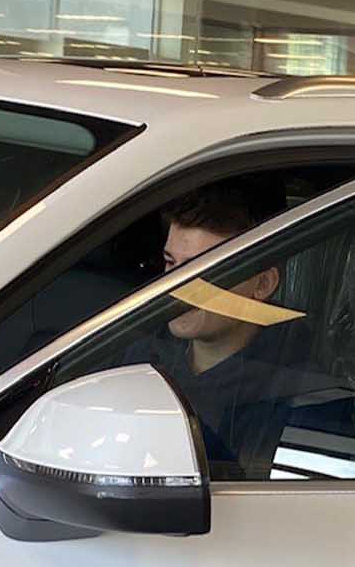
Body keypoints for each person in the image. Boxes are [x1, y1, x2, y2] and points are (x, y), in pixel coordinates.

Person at [125, 183, 306, 480]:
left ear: (262, 285)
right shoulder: (142, 358)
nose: (175, 286)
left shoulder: (296, 391)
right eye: (171, 263)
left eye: (202, 272)